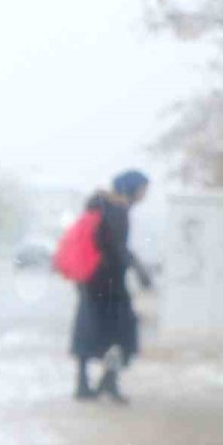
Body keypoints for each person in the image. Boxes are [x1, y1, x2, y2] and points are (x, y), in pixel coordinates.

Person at [72, 169, 152, 404]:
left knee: (89, 329)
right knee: (122, 334)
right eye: (143, 189)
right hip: (109, 283)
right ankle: (109, 380)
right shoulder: (118, 209)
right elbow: (117, 246)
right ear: (132, 187)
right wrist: (138, 268)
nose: (145, 195)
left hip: (89, 280)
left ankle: (83, 383)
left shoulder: (99, 205)